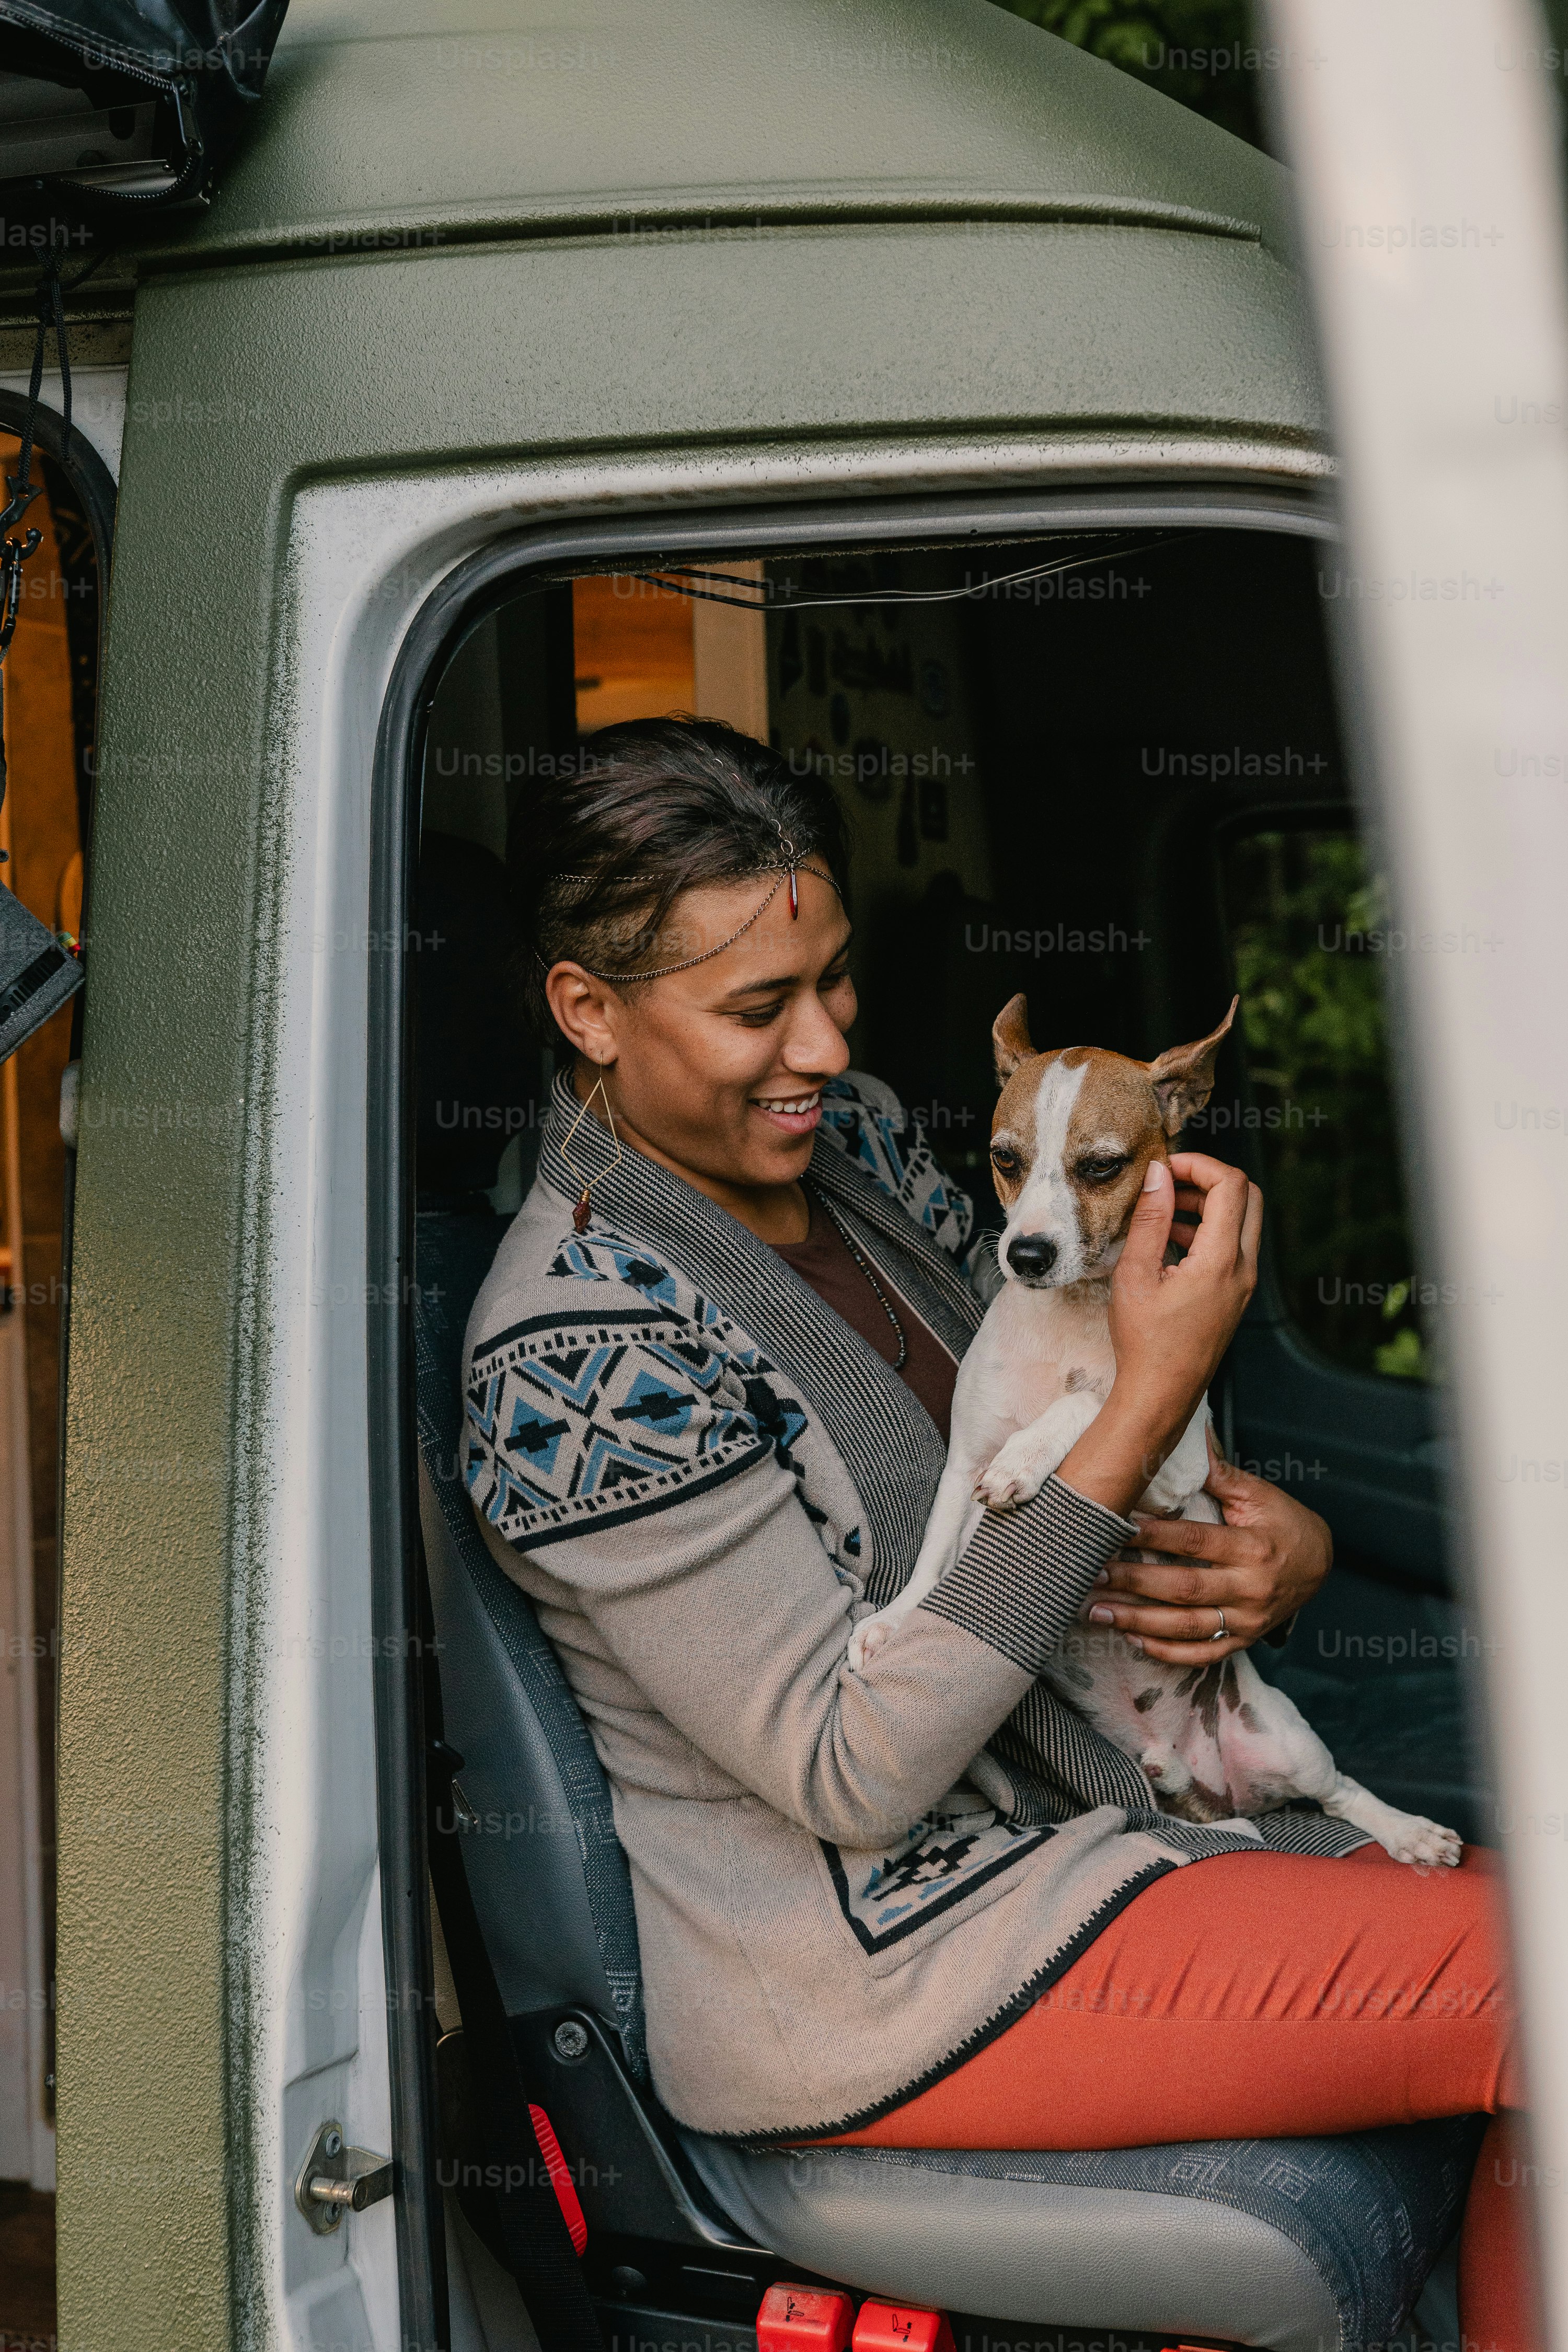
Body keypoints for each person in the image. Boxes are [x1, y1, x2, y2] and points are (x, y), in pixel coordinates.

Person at [462, 717, 1531, 2350]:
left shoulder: (870, 1154)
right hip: (873, 1969)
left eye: (834, 985)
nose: (823, 1046)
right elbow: (852, 1767)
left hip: (1071, 1821)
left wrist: (1278, 1544)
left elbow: (1069, 1382)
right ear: (587, 1009)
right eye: (759, 1007)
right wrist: (1135, 1420)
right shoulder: (572, 1353)